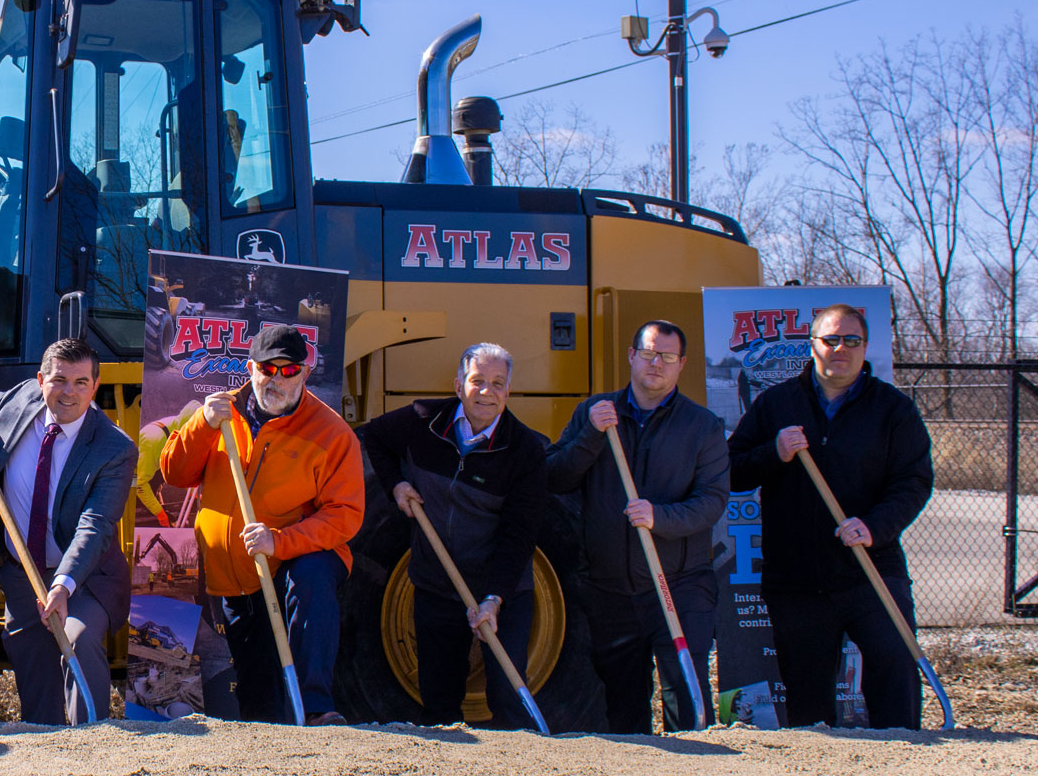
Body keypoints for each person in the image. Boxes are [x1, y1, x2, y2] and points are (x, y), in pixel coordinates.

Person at [727, 303, 933, 728]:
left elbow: (913, 482)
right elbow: (729, 470)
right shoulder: (776, 404)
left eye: (851, 340)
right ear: (813, 345)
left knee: (894, 664)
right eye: (831, 339)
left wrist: (874, 527)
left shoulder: (893, 410)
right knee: (806, 696)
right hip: (796, 578)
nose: (841, 348)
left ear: (865, 347)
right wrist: (774, 453)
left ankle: (907, 759)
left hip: (870, 569)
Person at [158, 324, 364, 724]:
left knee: (311, 576)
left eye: (289, 371)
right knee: (257, 698)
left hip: (293, 562)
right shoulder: (217, 414)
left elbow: (345, 514)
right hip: (236, 576)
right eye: (269, 369)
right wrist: (201, 424)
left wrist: (281, 542)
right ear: (250, 368)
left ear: (304, 374)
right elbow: (174, 474)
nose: (277, 379)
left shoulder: (331, 433)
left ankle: (317, 709)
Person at [547, 320, 729, 733]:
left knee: (685, 692)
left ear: (681, 364)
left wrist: (659, 517)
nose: (656, 363)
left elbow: (712, 501)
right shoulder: (594, 413)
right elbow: (554, 478)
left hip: (680, 585)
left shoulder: (701, 426)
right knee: (623, 705)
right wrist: (590, 436)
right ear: (631, 355)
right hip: (610, 590)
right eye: (648, 353)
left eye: (666, 356)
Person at [363, 342, 548, 729]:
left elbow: (519, 534)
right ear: (458, 384)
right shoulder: (423, 419)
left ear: (509, 391)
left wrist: (493, 600)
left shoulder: (526, 449)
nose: (487, 391)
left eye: (498, 383)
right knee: (440, 703)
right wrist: (395, 484)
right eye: (477, 380)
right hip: (437, 585)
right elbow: (375, 437)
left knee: (507, 699)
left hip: (502, 590)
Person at [0, 338, 137, 724]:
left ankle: (92, 741)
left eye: (81, 382)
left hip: (86, 578)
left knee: (77, 637)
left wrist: (62, 586)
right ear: (40, 380)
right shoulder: (19, 402)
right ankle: (47, 761)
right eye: (59, 380)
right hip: (23, 576)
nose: (69, 392)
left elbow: (95, 526)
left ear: (95, 386)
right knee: (34, 673)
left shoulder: (114, 449)